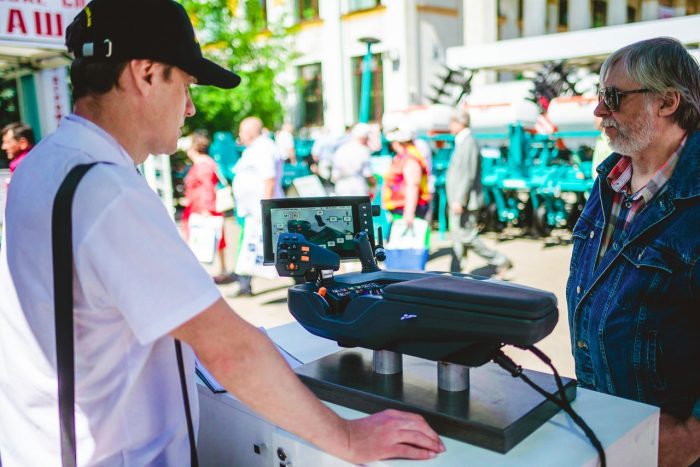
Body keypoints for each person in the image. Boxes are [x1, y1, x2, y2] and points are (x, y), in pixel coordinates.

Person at [0, 0, 444, 465]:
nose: (190, 108)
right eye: (187, 85)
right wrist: (349, 439)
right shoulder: (106, 189)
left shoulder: (46, 164)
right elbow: (228, 349)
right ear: (146, 73)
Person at [566, 37, 700, 467]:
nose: (599, 111)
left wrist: (691, 437)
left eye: (613, 97)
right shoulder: (609, 182)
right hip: (604, 425)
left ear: (667, 101)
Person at [445, 108, 512, 278]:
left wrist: (459, 200)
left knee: (466, 236)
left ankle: (500, 260)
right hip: (460, 200)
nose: (449, 125)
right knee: (458, 236)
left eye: (452, 122)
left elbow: (467, 174)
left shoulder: (468, 142)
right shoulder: (462, 141)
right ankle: (455, 271)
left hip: (465, 201)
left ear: (460, 123)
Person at [231, 116, 284, 296]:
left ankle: (244, 285)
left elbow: (269, 179)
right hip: (253, 211)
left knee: (272, 248)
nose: (240, 135)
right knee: (255, 248)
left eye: (242, 130)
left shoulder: (264, 148)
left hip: (260, 211)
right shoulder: (255, 148)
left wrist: (265, 208)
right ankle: (244, 284)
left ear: (251, 131)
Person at [182, 130, 236, 284]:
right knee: (214, 241)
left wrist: (205, 210)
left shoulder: (202, 165)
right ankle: (221, 270)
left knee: (204, 240)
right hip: (201, 208)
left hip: (202, 209)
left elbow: (207, 188)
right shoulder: (206, 162)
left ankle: (210, 273)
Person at [382, 127, 431, 227]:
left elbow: (413, 185)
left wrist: (409, 213)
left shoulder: (410, 159)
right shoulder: (403, 156)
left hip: (406, 209)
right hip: (399, 207)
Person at [331, 123, 377, 196]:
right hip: (358, 188)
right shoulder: (363, 150)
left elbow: (334, 175)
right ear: (363, 137)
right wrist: (375, 185)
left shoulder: (341, 149)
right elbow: (368, 174)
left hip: (341, 188)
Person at [1, 122, 35, 188]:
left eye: (8, 142)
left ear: (23, 143)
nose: (3, 147)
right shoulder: (35, 159)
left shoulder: (24, 167)